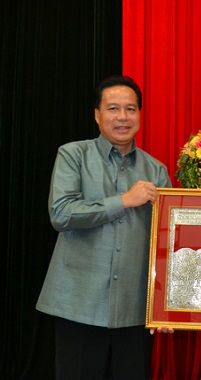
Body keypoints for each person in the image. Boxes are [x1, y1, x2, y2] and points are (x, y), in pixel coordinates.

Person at [36, 75, 173, 379]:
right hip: (78, 304)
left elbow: (164, 245)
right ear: (97, 114)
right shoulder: (73, 155)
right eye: (113, 109)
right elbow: (61, 213)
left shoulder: (157, 170)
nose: (122, 117)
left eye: (131, 109)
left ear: (140, 114)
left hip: (135, 311)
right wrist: (124, 200)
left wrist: (165, 306)